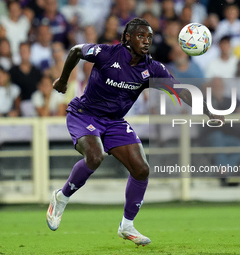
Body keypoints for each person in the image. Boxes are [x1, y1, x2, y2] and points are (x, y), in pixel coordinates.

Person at [46, 18, 223, 246]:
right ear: (126, 38)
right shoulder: (106, 53)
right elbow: (75, 51)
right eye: (140, 36)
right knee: (95, 156)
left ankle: (127, 226)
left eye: (149, 37)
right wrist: (63, 80)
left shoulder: (152, 69)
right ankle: (61, 198)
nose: (146, 41)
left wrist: (208, 111)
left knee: (141, 169)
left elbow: (180, 90)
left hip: (114, 122)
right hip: (84, 114)